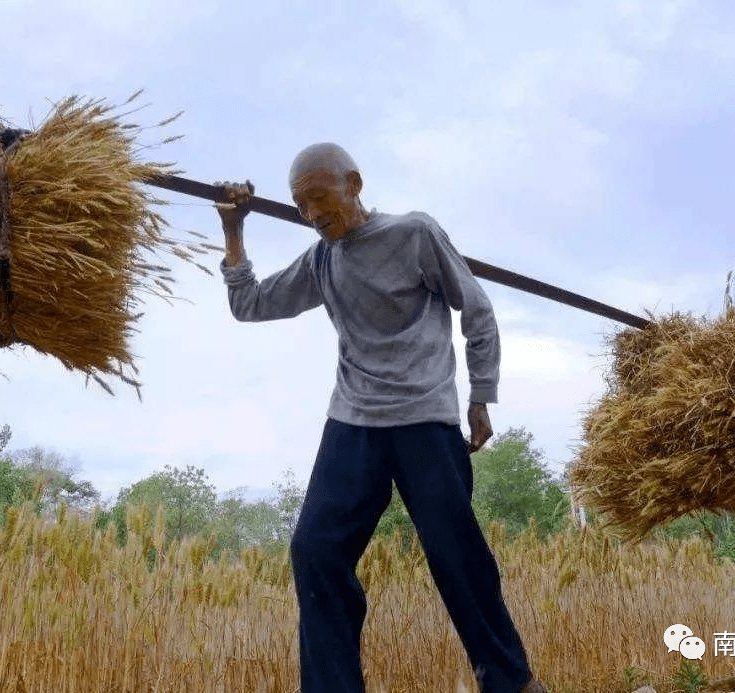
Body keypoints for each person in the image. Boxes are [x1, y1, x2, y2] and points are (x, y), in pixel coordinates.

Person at [216, 143, 546, 693]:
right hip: (353, 424)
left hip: (424, 420)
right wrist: (234, 231)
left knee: (456, 554)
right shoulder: (322, 260)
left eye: (321, 199)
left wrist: (481, 394)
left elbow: (477, 308)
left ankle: (511, 682)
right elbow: (248, 304)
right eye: (302, 208)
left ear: (354, 184)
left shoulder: (413, 234)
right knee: (315, 550)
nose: (314, 215)